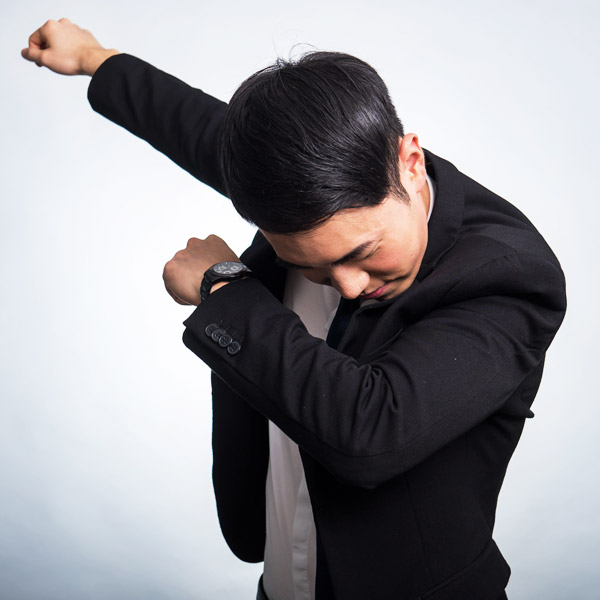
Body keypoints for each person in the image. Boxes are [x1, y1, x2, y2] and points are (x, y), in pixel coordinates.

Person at [22, 19, 566, 600]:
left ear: (409, 163)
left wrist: (223, 286)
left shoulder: (509, 276)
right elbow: (200, 127)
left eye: (362, 253)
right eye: (312, 266)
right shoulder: (300, 182)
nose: (349, 286)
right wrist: (96, 58)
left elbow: (369, 431)